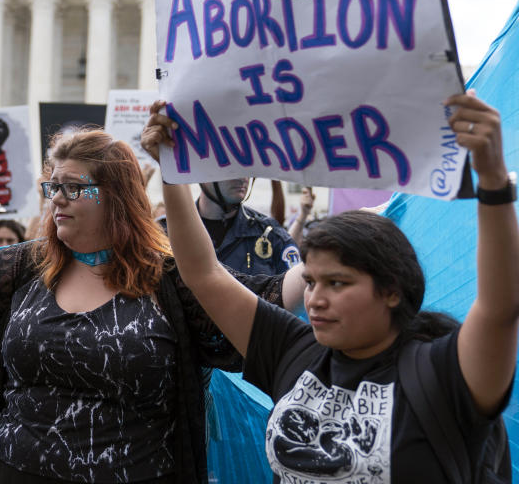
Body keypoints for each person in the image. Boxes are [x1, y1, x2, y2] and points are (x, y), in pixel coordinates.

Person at [0, 127, 303, 483]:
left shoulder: (171, 282)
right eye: (54, 187)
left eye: (74, 188)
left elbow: (272, 299)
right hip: (9, 471)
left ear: (117, 197)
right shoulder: (31, 264)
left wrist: (344, 253)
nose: (57, 200)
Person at [143, 93, 518, 483]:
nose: (315, 299)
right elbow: (203, 273)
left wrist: (491, 179)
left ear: (392, 289)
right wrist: (173, 168)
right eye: (310, 282)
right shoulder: (292, 348)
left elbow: (500, 306)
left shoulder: (445, 372)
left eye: (338, 283)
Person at [193, 176, 299, 275]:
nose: (243, 178)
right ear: (203, 175)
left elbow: (297, 290)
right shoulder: (177, 233)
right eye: (231, 169)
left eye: (247, 170)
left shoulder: (270, 234)